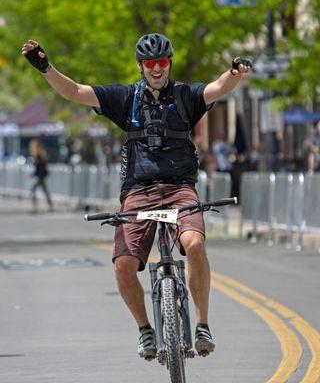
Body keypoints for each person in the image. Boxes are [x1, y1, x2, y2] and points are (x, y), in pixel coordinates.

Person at [22, 34, 251, 359]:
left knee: (196, 245)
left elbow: (217, 88)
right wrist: (45, 68)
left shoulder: (185, 95)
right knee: (123, 264)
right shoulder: (125, 98)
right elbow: (75, 92)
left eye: (161, 62)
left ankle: (202, 325)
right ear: (140, 66)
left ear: (168, 63)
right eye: (149, 63)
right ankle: (145, 329)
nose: (156, 69)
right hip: (138, 192)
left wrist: (234, 73)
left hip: (179, 188)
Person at [28, 138, 53, 212]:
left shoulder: (38, 156)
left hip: (40, 177)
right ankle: (50, 206)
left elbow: (40, 168)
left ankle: (35, 207)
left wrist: (34, 174)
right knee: (45, 191)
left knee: (33, 190)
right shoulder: (41, 155)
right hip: (41, 176)